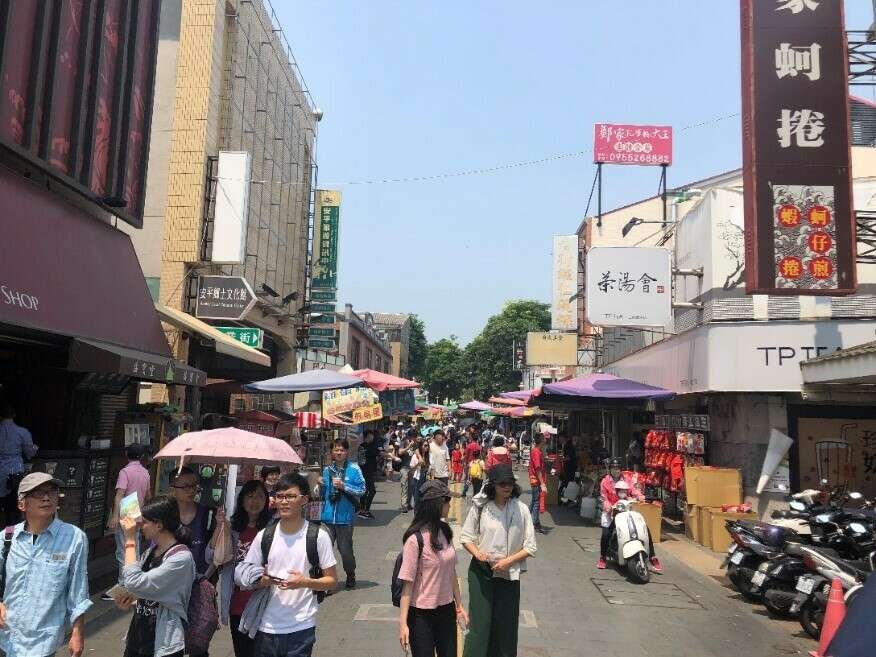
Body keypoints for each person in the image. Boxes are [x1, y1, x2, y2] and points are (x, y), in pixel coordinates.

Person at [235, 473, 337, 657]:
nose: (284, 502)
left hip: (302, 625)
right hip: (266, 625)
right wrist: (262, 580)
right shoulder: (264, 536)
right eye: (280, 496)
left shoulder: (318, 536)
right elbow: (244, 575)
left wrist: (305, 582)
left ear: (304, 500)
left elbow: (331, 581)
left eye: (290, 496)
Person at [0, 472, 91, 657]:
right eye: (37, 493)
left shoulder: (74, 538)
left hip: (43, 640)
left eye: (52, 491)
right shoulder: (6, 537)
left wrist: (77, 633)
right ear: (21, 504)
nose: (46, 497)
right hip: (6, 636)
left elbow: (78, 588)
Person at [460, 464, 537, 657]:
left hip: (509, 574)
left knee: (506, 626)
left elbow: (530, 546)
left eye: (510, 483)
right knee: (481, 623)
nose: (507, 487)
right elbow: (466, 537)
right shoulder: (481, 507)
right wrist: (478, 554)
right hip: (482, 572)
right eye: (502, 483)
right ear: (492, 485)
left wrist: (509, 561)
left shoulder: (521, 509)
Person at [117, 495, 197, 657]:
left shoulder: (181, 559)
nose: (140, 526)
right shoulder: (151, 551)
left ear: (159, 524)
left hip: (163, 644)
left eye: (145, 522)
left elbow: (134, 581)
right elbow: (140, 588)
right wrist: (130, 599)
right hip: (137, 638)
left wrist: (130, 540)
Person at [398, 480, 468, 657]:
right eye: (446, 500)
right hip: (421, 615)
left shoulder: (445, 532)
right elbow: (407, 586)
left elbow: (452, 573)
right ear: (435, 504)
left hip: (446, 611)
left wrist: (459, 606)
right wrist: (403, 624)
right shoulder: (415, 540)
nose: (449, 504)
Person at [206, 480, 273, 657]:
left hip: (264, 602)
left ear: (266, 500)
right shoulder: (232, 527)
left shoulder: (273, 529)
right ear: (241, 500)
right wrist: (220, 527)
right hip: (237, 603)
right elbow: (211, 558)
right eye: (250, 496)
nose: (254, 501)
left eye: (260, 496)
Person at [105, 443, 152, 600]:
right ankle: (134, 581)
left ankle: (124, 584)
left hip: (127, 511)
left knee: (123, 551)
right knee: (135, 548)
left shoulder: (125, 471)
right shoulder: (145, 472)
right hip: (139, 511)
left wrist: (114, 516)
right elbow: (148, 495)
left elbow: (120, 494)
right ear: (142, 456)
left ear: (127, 454)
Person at [597, 459, 662, 572]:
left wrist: (640, 496)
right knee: (606, 533)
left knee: (644, 527)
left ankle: (652, 556)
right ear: (610, 469)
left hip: (626, 508)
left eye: (617, 468)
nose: (616, 471)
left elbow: (633, 490)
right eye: (614, 468)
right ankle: (603, 557)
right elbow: (603, 497)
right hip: (611, 510)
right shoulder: (605, 481)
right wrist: (607, 506)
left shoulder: (626, 479)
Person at [320, 439, 366, 590]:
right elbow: (322, 494)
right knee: (324, 549)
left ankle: (350, 573)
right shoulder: (327, 470)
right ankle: (326, 580)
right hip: (327, 518)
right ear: (331, 452)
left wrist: (344, 486)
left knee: (345, 550)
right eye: (336, 450)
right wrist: (318, 485)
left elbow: (362, 490)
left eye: (341, 450)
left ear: (346, 452)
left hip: (345, 518)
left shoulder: (354, 469)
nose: (338, 453)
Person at [170, 466, 214, 576]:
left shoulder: (209, 514)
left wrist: (204, 579)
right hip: (171, 581)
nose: (191, 490)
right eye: (185, 486)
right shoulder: (166, 514)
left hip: (201, 579)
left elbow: (216, 553)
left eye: (194, 485)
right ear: (172, 489)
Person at [0, 402, 37, 526]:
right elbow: (29, 453)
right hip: (14, 472)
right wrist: (34, 448)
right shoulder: (22, 432)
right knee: (13, 510)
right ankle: (8, 538)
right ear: (14, 415)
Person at [357, 430, 380, 519]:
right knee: (371, 491)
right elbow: (379, 453)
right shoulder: (369, 446)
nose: (373, 437)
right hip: (367, 472)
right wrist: (393, 457)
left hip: (363, 471)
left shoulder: (361, 446)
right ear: (369, 436)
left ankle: (363, 510)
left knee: (365, 491)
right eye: (372, 435)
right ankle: (365, 510)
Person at [528, 434, 548, 534]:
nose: (546, 439)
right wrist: (542, 483)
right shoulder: (536, 452)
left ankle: (526, 519)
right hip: (536, 480)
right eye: (544, 438)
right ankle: (536, 523)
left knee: (534, 501)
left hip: (535, 479)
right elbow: (538, 468)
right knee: (536, 502)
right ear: (541, 440)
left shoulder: (537, 451)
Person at [396, 430, 417, 513]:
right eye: (413, 437)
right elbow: (400, 452)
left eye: (415, 437)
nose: (414, 439)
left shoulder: (416, 444)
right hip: (404, 468)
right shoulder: (404, 442)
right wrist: (408, 446)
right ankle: (404, 505)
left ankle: (408, 504)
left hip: (413, 468)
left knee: (411, 487)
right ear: (409, 437)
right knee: (405, 486)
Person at [409, 441, 430, 511]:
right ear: (421, 446)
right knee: (417, 499)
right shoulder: (415, 456)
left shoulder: (429, 456)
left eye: (427, 446)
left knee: (426, 499)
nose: (427, 447)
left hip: (427, 479)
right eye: (425, 445)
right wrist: (418, 464)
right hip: (417, 479)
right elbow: (411, 469)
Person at [462, 431, 482, 497]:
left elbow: (466, 456)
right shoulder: (479, 447)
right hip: (477, 465)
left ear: (471, 438)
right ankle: (475, 493)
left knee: (468, 479)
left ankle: (464, 492)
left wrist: (465, 464)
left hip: (469, 464)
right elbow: (480, 457)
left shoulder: (469, 446)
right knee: (476, 480)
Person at [557, 435, 577, 501]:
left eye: (560, 438)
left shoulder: (568, 445)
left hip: (570, 467)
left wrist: (561, 459)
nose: (559, 439)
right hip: (569, 467)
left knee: (566, 482)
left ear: (563, 437)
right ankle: (566, 498)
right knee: (566, 482)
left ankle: (560, 496)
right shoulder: (567, 444)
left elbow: (568, 457)